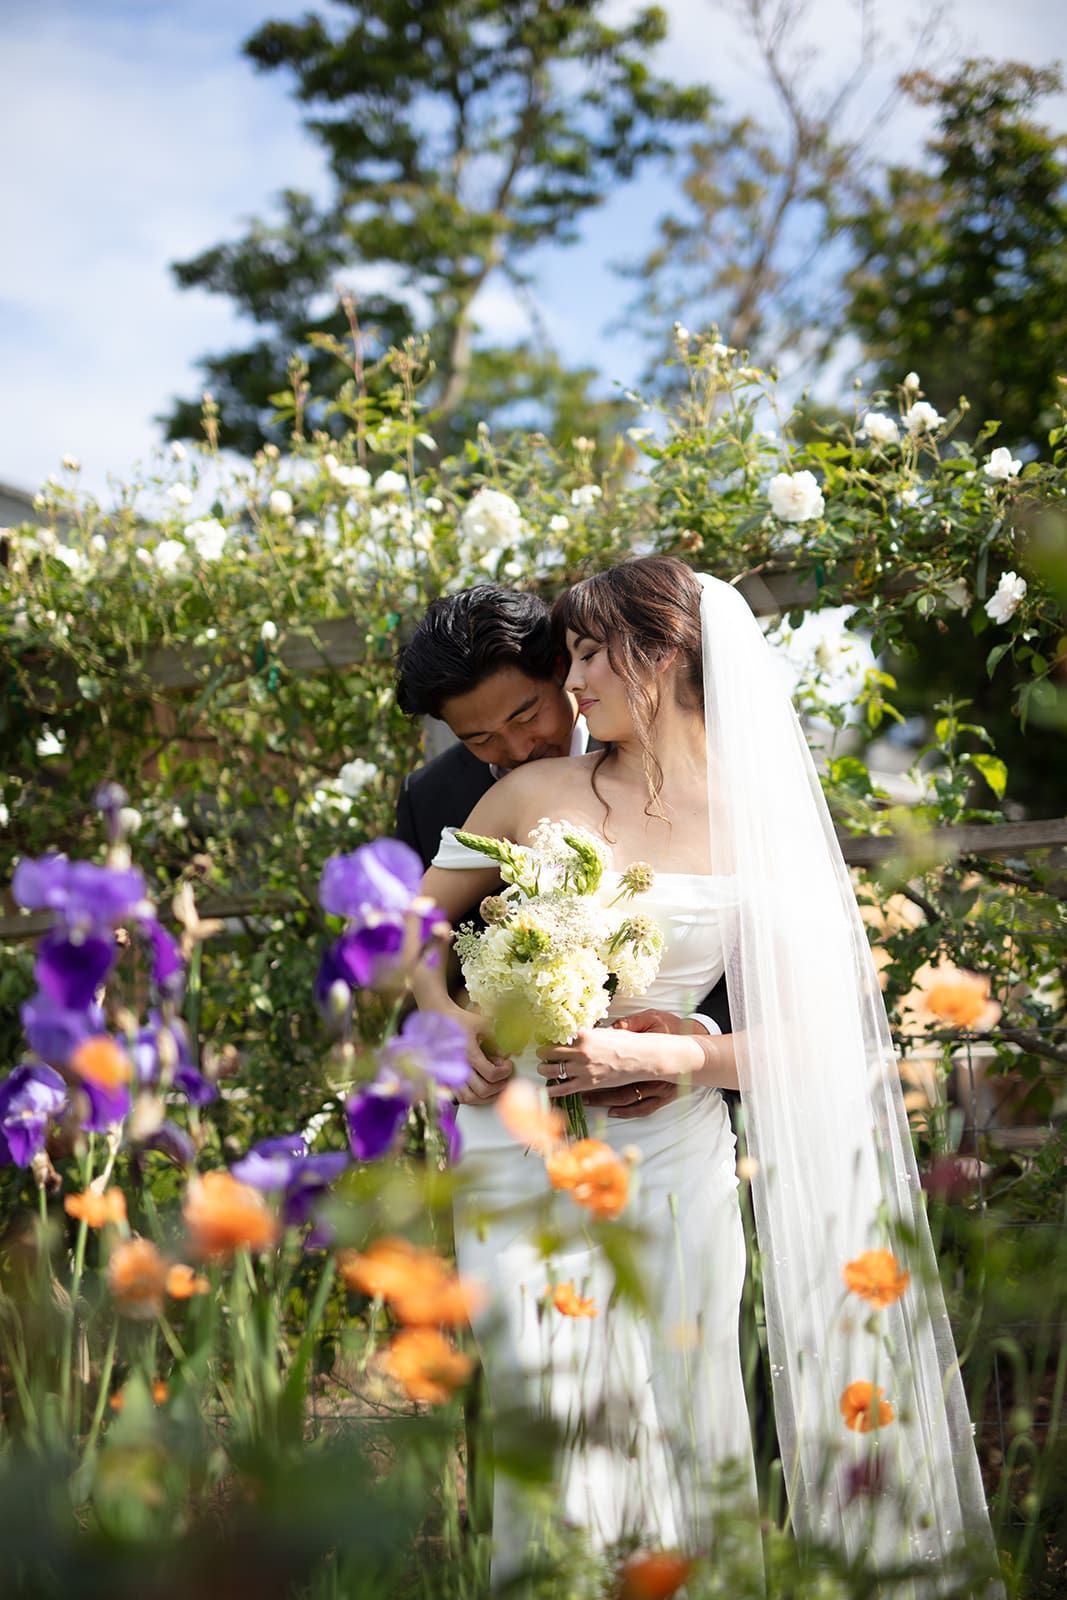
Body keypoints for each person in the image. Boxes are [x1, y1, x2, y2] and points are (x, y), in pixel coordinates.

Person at [413, 558, 1000, 1591]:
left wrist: (672, 1051)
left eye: (589, 653)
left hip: (672, 1138)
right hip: (518, 1134)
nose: (575, 677)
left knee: (687, 1395)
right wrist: (449, 1016)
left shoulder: (758, 814)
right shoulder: (526, 791)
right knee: (539, 1402)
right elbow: (404, 926)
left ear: (666, 653)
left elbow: (821, 1032)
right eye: (573, 654)